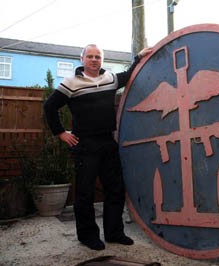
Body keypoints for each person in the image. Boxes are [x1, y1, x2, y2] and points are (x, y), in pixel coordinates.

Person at [44, 44, 152, 250]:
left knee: (115, 189)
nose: (94, 60)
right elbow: (49, 106)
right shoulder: (71, 83)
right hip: (85, 144)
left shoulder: (109, 79)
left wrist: (138, 57)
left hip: (107, 142)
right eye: (90, 56)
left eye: (98, 57)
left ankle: (114, 233)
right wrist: (60, 133)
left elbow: (128, 75)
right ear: (82, 59)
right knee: (85, 193)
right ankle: (87, 236)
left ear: (101, 60)